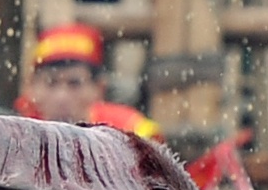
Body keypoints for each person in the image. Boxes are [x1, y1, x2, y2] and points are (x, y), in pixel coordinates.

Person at [12, 23, 162, 139]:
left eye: (74, 84)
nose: (61, 96)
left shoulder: (132, 132)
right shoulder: (16, 132)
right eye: (51, 83)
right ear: (31, 87)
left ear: (99, 88)